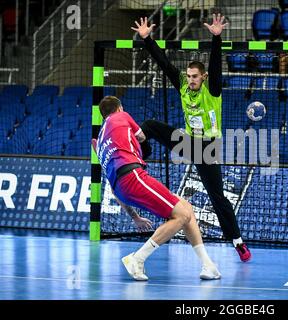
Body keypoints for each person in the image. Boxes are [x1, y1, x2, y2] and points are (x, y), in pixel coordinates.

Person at [131, 14, 252, 262]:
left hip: (208, 149)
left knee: (217, 197)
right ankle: (144, 154)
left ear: (203, 77)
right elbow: (164, 63)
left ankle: (238, 241)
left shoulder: (213, 90)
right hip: (188, 142)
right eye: (189, 76)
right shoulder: (184, 86)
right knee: (150, 126)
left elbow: (216, 65)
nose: (191, 80)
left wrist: (216, 38)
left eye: (195, 76)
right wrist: (147, 40)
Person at [94, 95, 221, 281]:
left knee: (186, 208)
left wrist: (135, 217)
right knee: (182, 215)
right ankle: (137, 258)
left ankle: (208, 266)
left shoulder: (101, 141)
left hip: (122, 188)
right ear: (119, 108)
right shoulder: (121, 116)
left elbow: (114, 191)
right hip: (134, 176)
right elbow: (142, 136)